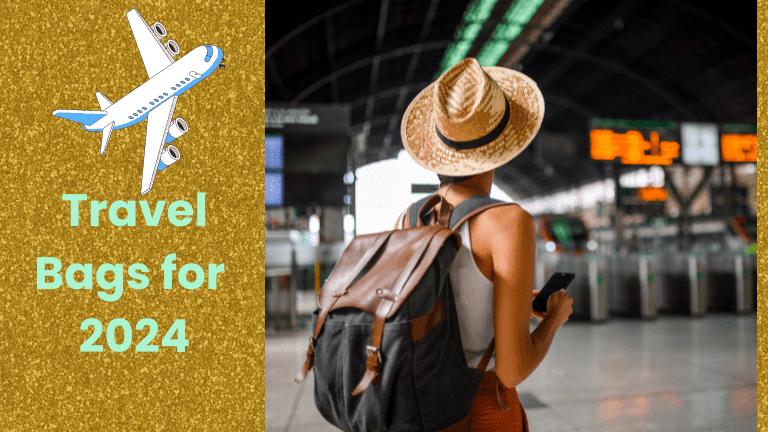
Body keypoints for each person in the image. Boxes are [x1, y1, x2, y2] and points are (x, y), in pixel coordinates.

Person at [398, 58, 574, 431]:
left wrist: (521, 302)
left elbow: (443, 306)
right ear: (502, 145)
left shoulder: (407, 218)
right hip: (480, 413)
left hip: (416, 409)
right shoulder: (508, 223)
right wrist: (553, 321)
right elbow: (511, 370)